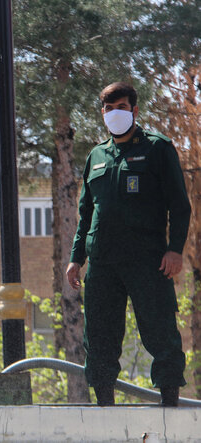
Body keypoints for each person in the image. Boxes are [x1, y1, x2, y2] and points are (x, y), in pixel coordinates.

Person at [66, 82, 191, 407]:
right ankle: (104, 407)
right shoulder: (96, 156)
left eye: (121, 107)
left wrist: (175, 249)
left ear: (134, 111)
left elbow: (179, 205)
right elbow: (86, 213)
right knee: (100, 338)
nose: (114, 114)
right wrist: (76, 258)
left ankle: (170, 405)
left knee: (160, 332)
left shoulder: (157, 148)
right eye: (108, 109)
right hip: (103, 264)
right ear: (102, 113)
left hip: (148, 261)